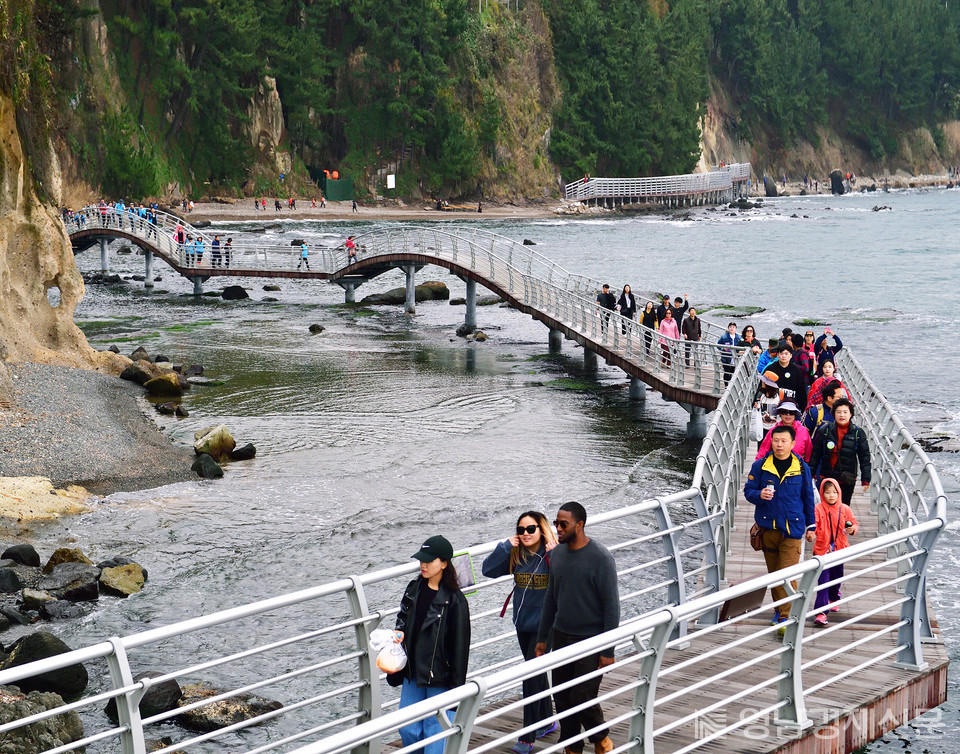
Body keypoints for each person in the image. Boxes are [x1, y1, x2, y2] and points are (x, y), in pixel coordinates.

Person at [536, 502, 618, 754]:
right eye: (556, 523)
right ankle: (571, 746)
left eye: (564, 524)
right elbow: (551, 597)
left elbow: (611, 606)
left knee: (581, 696)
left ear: (579, 525)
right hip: (561, 635)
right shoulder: (557, 554)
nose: (557, 529)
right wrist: (543, 638)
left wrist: (608, 650)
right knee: (561, 696)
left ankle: (601, 738)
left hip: (591, 640)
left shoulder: (600, 558)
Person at [482, 513, 559, 753]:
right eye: (521, 529)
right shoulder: (518, 556)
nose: (526, 533)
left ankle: (527, 736)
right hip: (522, 624)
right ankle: (546, 720)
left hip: (545, 628)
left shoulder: (552, 554)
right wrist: (505, 546)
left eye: (531, 528)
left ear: (542, 529)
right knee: (535, 674)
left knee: (530, 675)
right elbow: (488, 570)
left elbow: (568, 578)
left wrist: (556, 554)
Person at [389, 535, 471, 754]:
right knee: (408, 728)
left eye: (429, 560)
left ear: (444, 563)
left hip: (440, 676)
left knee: (434, 733)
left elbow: (460, 650)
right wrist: (399, 631)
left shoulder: (455, 601)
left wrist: (456, 690)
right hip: (413, 672)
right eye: (421, 560)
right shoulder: (414, 587)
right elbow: (403, 616)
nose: (423, 565)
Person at [744, 425, 816, 627]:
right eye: (776, 440)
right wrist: (759, 495)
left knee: (787, 574)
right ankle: (780, 611)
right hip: (767, 529)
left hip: (792, 529)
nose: (779, 445)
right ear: (771, 441)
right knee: (776, 575)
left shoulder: (801, 467)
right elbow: (748, 491)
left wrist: (811, 526)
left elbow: (808, 497)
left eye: (784, 441)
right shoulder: (760, 466)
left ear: (793, 443)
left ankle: (786, 617)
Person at [806, 478, 859, 626]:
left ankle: (834, 597)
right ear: (822, 493)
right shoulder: (818, 508)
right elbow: (813, 524)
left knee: (836, 576)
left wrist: (852, 529)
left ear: (839, 493)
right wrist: (811, 533)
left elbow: (854, 523)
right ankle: (821, 612)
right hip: (822, 550)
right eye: (827, 492)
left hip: (839, 549)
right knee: (823, 580)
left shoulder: (845, 509)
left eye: (834, 492)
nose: (831, 495)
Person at [808, 398, 871, 505]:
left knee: (844, 507)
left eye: (845, 412)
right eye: (838, 412)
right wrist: (812, 473)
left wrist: (865, 480)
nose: (842, 415)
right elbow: (816, 453)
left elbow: (864, 457)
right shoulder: (825, 430)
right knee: (826, 507)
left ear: (851, 414)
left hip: (847, 478)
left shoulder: (858, 433)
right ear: (834, 414)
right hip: (827, 475)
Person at [763, 344, 807, 409]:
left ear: (791, 355)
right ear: (777, 355)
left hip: (791, 405)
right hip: (773, 404)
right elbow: (762, 387)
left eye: (786, 354)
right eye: (781, 353)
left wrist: (802, 408)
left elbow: (801, 391)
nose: (784, 356)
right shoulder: (770, 369)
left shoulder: (796, 371)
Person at [789, 334, 815, 407]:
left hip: (804, 383)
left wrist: (794, 365)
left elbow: (805, 368)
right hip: (799, 382)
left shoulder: (802, 354)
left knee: (804, 401)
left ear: (794, 343)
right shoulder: (796, 352)